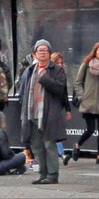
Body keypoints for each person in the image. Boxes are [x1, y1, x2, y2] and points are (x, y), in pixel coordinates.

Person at [19, 40, 69, 184]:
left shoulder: (57, 70)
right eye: (39, 50)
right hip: (31, 112)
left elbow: (60, 89)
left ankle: (52, 175)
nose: (42, 52)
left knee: (49, 145)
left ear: (49, 53)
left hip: (49, 114)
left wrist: (44, 78)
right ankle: (42, 174)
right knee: (37, 146)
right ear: (34, 53)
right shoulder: (30, 70)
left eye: (45, 50)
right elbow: (24, 91)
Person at [74, 41, 99, 164]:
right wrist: (82, 96)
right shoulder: (86, 65)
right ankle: (78, 145)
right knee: (90, 129)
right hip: (88, 103)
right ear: (95, 51)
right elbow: (77, 82)